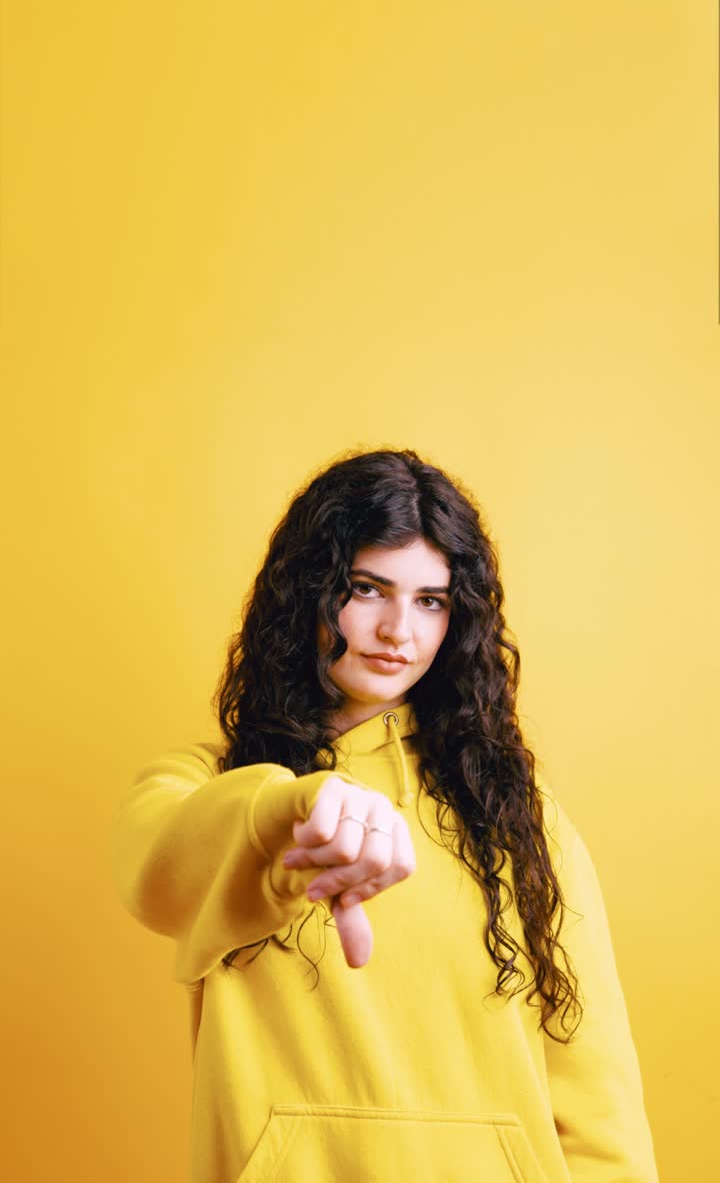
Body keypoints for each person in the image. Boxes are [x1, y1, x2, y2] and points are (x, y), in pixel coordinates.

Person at [111, 448, 659, 1183]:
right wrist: (291, 812)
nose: (400, 629)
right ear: (308, 591)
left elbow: (595, 1087)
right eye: (367, 589)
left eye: (431, 600)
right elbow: (154, 876)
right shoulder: (209, 786)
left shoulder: (515, 814)